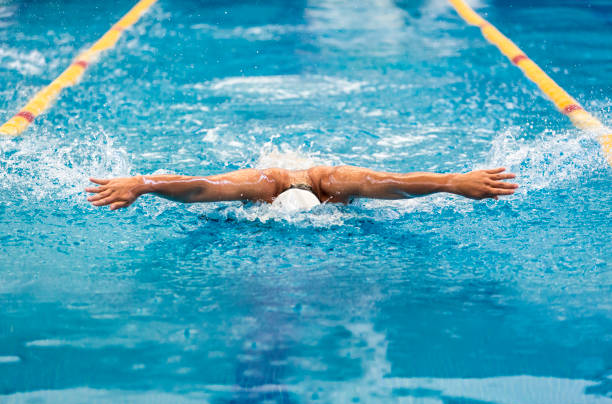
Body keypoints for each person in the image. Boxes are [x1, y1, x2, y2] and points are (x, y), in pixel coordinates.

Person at [85, 165, 518, 211]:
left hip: (322, 181)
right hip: (273, 181)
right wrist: (142, 184)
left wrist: (453, 183)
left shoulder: (336, 184)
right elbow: (202, 187)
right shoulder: (261, 185)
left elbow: (393, 183)